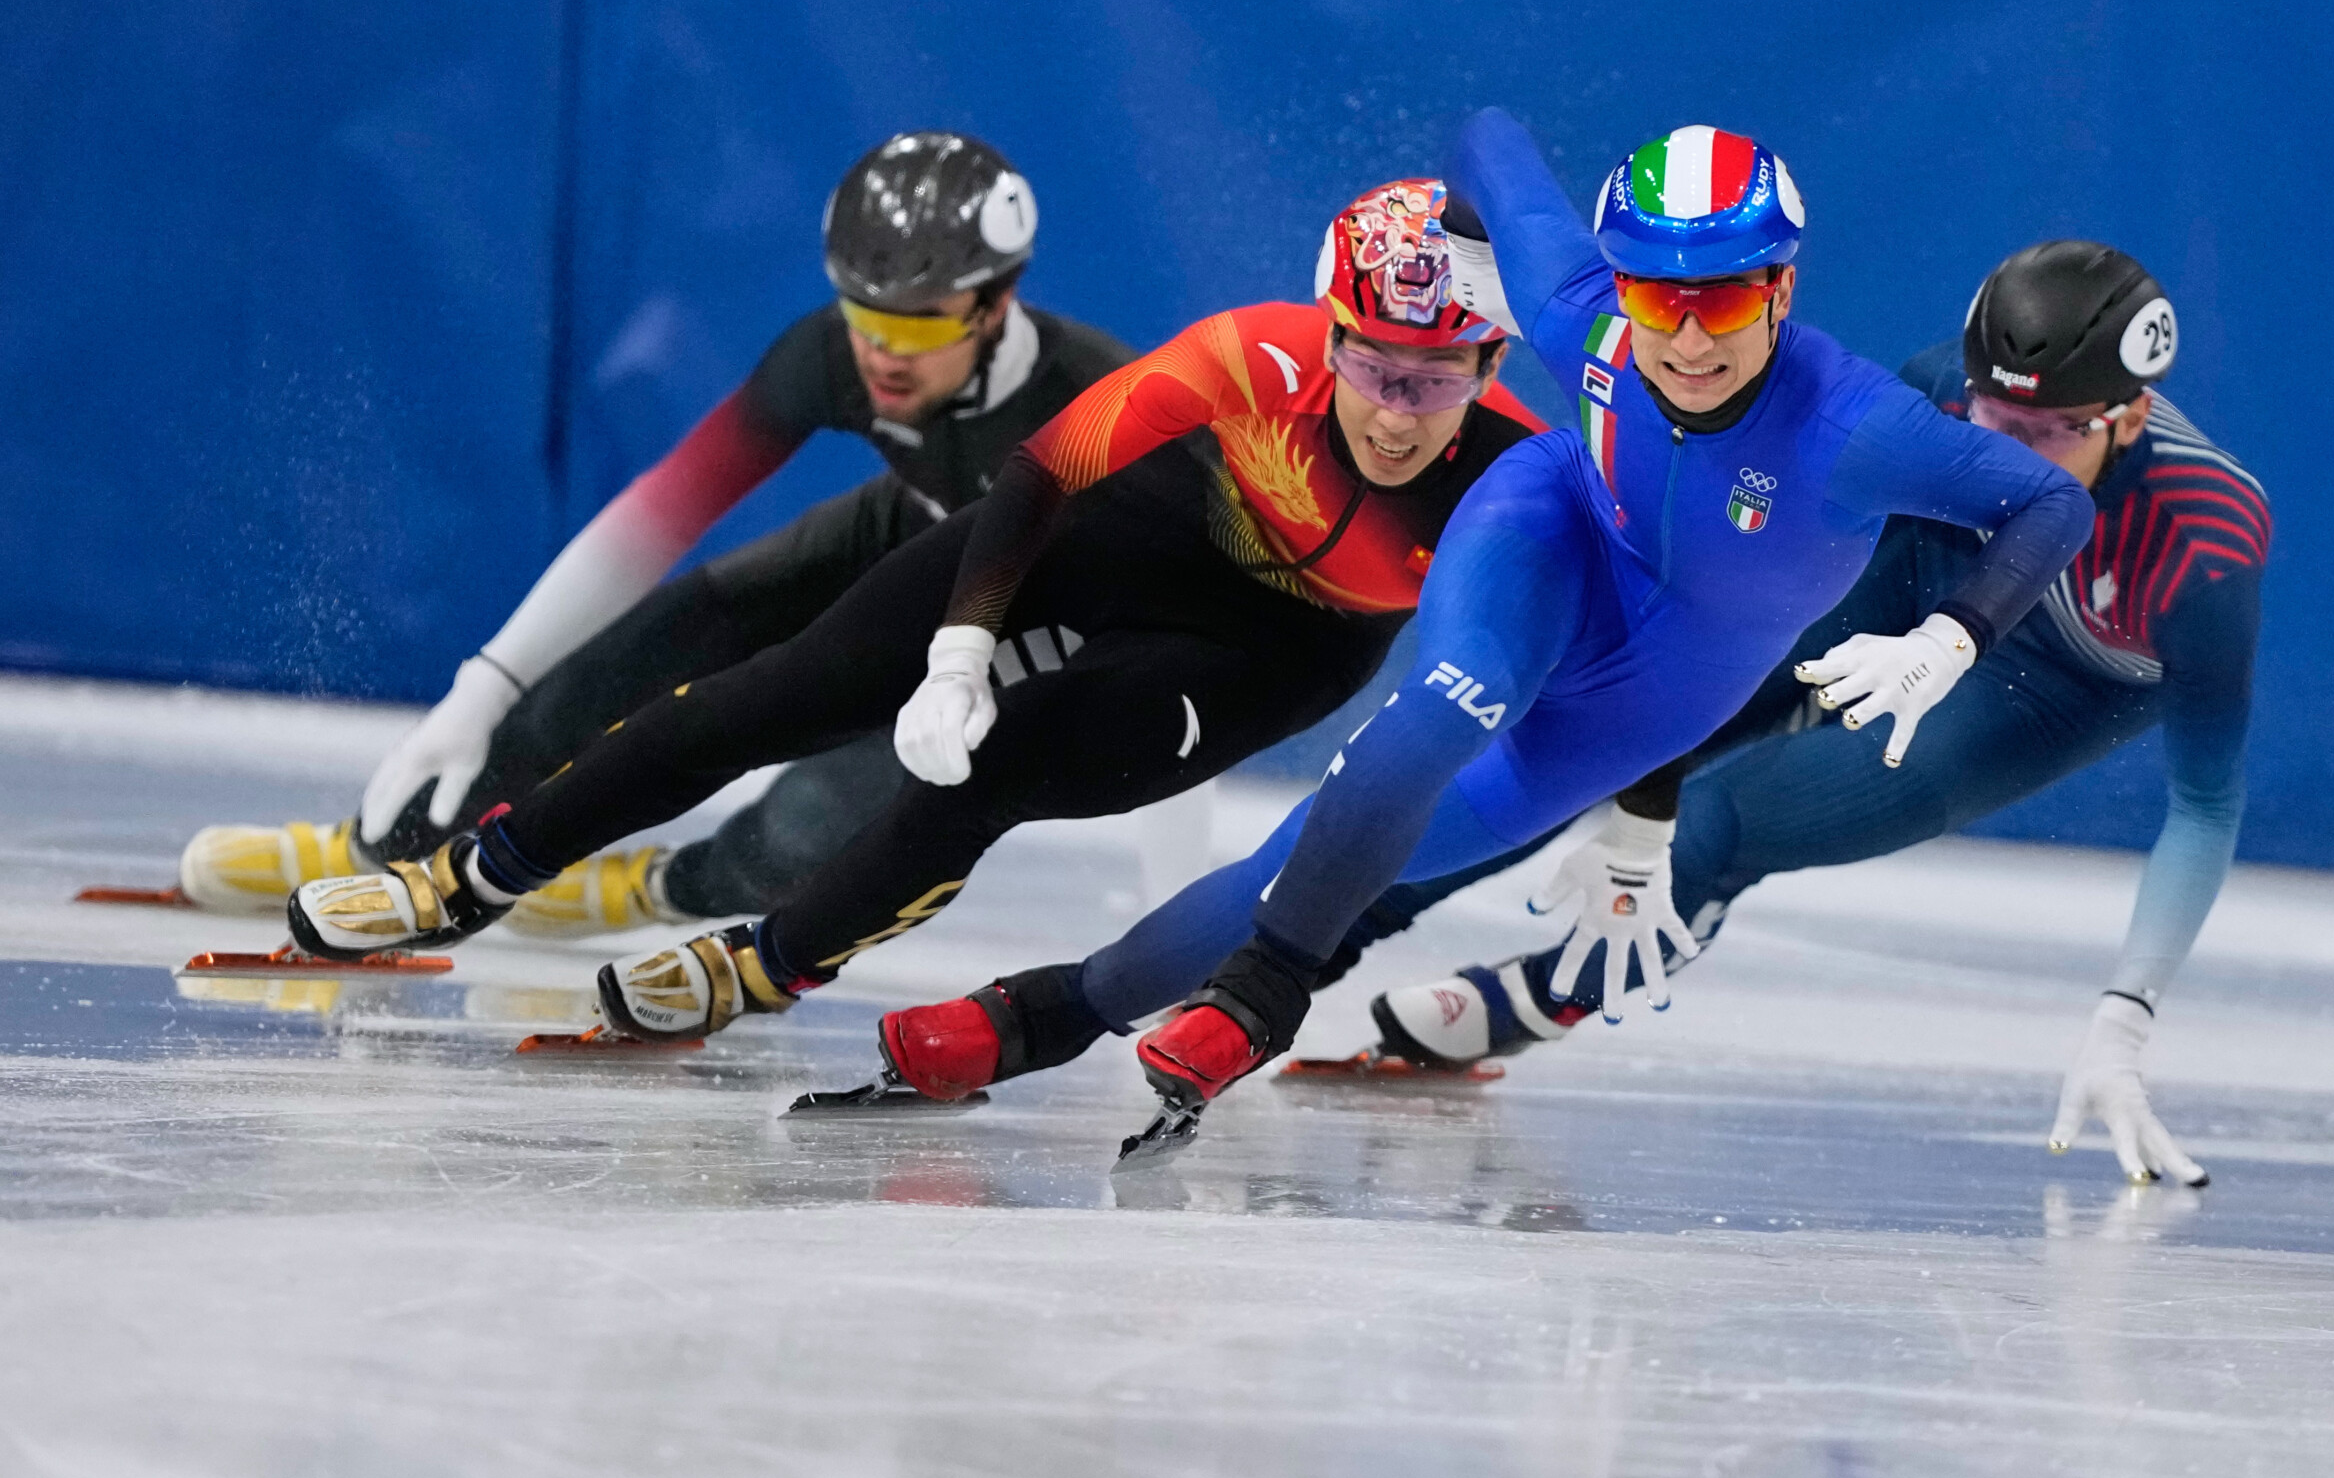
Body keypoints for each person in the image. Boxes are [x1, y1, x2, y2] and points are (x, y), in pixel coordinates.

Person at [866, 109, 2098, 1163]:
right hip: (1550, 531)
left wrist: (1950, 637)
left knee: (1315, 862)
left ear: (1780, 288)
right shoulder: (1583, 317)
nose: (1683, 337)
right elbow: (1490, 136)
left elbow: (2051, 499)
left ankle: (1058, 1012)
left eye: (1721, 298)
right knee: (1431, 721)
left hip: (1668, 685)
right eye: (1657, 294)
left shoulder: (1859, 429)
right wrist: (1451, 235)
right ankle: (1228, 999)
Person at [280, 180, 1546, 1046]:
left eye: (1434, 379)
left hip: (1272, 648)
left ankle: (762, 963)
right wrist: (958, 651)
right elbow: (1045, 475)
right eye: (1373, 365)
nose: (1394, 410)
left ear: (1490, 369)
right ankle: (472, 875)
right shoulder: (1251, 353)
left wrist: (1626, 837)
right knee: (771, 695)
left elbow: (1623, 663)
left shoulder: (1521, 475)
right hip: (1127, 536)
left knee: (988, 775)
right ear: (1327, 339)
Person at [1349, 241, 2264, 1189]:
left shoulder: (2205, 550)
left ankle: (1542, 998)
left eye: (2053, 435)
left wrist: (2125, 1018)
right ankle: (1321, 928)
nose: (2009, 455)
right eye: (1996, 419)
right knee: (1599, 727)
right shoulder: (1937, 387)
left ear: (2134, 416)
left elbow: (2205, 805)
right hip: (1923, 576)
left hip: (2045, 684)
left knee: (1723, 819)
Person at [176, 132, 1132, 936]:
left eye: (918, 329)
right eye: (861, 314)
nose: (881, 353)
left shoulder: (1105, 410)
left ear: (997, 302)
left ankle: (660, 890)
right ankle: (377, 849)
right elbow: (655, 518)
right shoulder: (827, 355)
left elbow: (1182, 636)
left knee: (808, 828)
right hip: (917, 532)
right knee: (653, 642)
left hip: (1041, 618)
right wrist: (486, 683)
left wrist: (1171, 922)